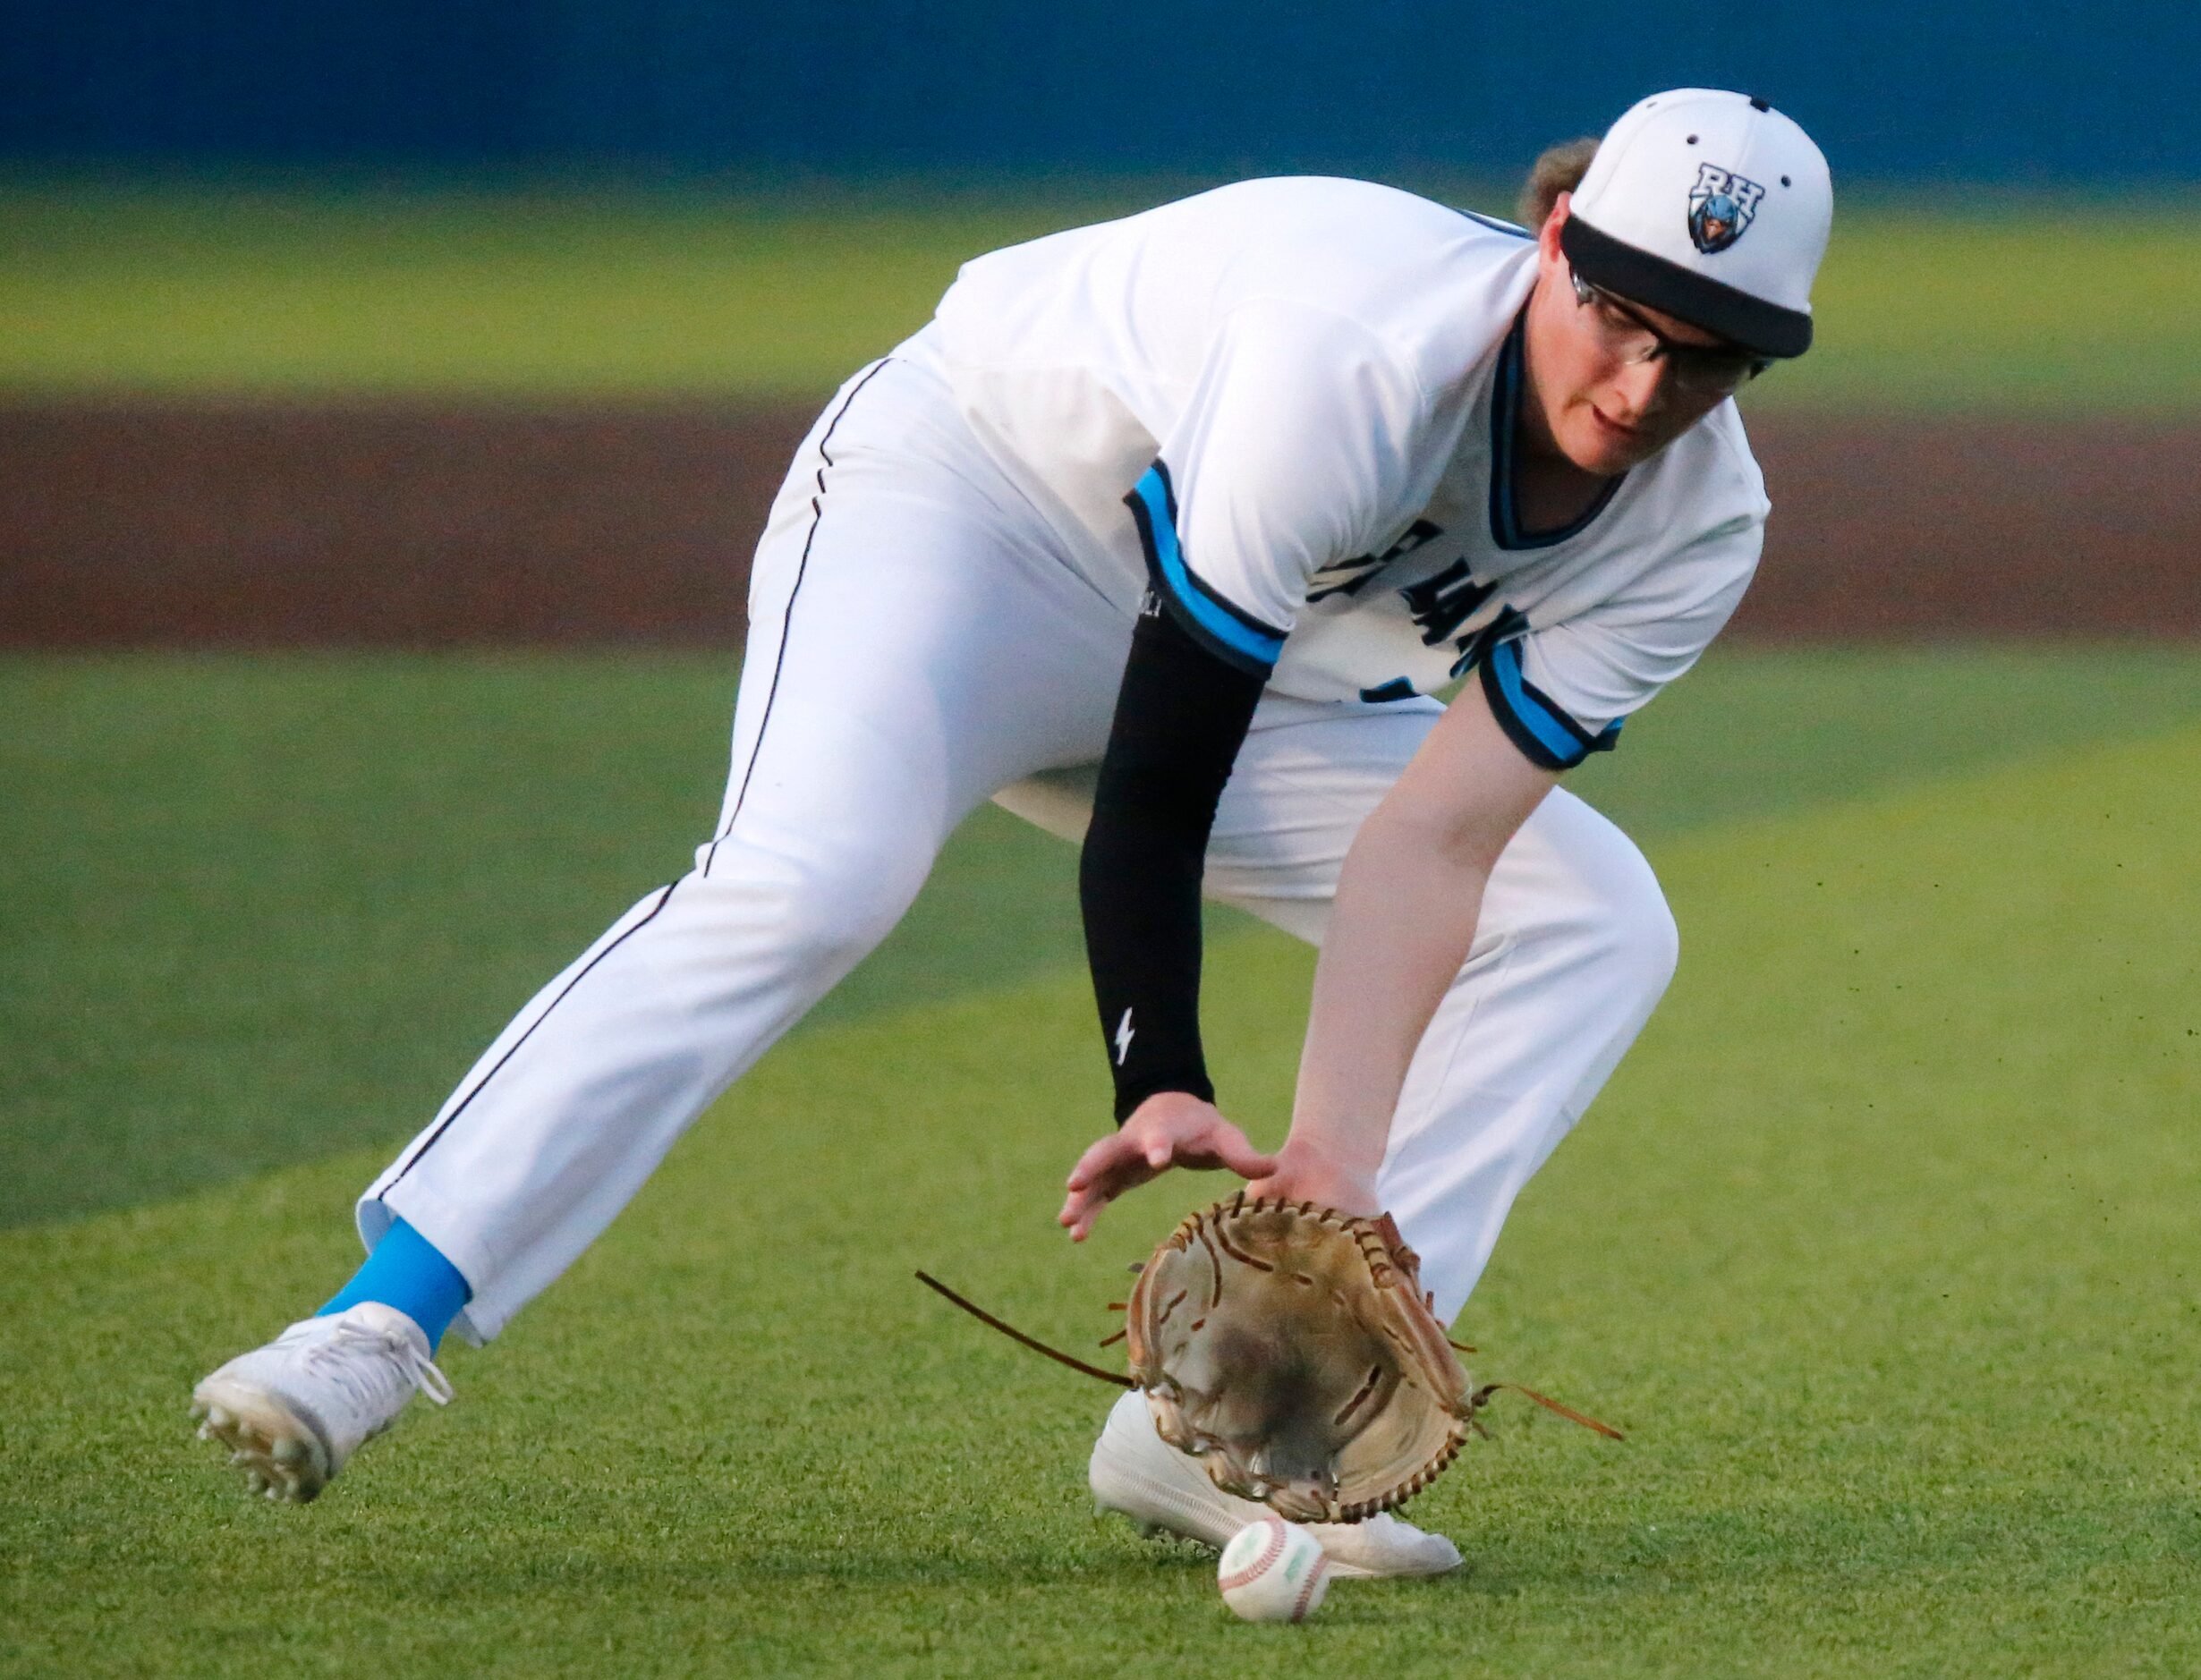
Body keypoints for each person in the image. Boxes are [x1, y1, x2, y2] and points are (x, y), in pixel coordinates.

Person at [192, 89, 1831, 1576]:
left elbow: (1433, 848)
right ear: (1555, 241)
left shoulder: (1699, 530)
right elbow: (1160, 759)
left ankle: (1252, 1429)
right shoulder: (1358, 352)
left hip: (1253, 650)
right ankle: (368, 1326)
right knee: (809, 880)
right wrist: (1158, 1066)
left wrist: (1328, 1165)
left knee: (1592, 916)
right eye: (1618, 311)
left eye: (1703, 356)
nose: (1640, 380)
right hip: (967, 522)